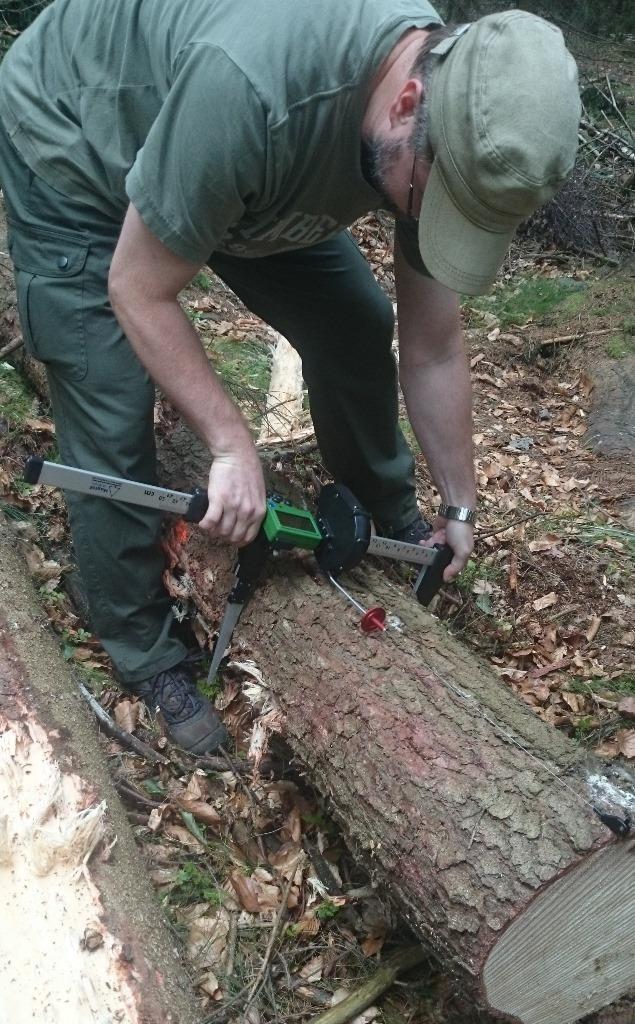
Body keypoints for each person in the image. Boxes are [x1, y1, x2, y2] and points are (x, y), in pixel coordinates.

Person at [0, 0, 580, 753]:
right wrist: (229, 443)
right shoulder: (253, 89)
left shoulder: (455, 105)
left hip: (234, 169)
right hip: (79, 139)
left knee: (353, 322)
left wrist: (458, 504)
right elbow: (139, 286)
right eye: (429, 204)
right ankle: (140, 645)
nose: (427, 219)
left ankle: (384, 508)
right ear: (406, 103)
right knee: (110, 407)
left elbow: (431, 348)